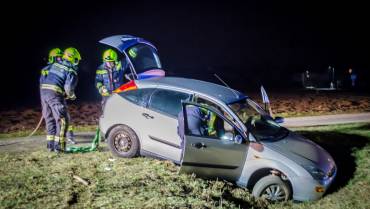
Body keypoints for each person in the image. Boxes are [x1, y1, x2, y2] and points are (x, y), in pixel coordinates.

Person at [40, 47, 81, 152]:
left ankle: (50, 146)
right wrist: (72, 96)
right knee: (63, 121)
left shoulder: (53, 65)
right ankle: (60, 148)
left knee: (50, 120)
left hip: (44, 93)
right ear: (72, 59)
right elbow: (68, 88)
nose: (77, 63)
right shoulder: (71, 71)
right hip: (54, 94)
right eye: (76, 60)